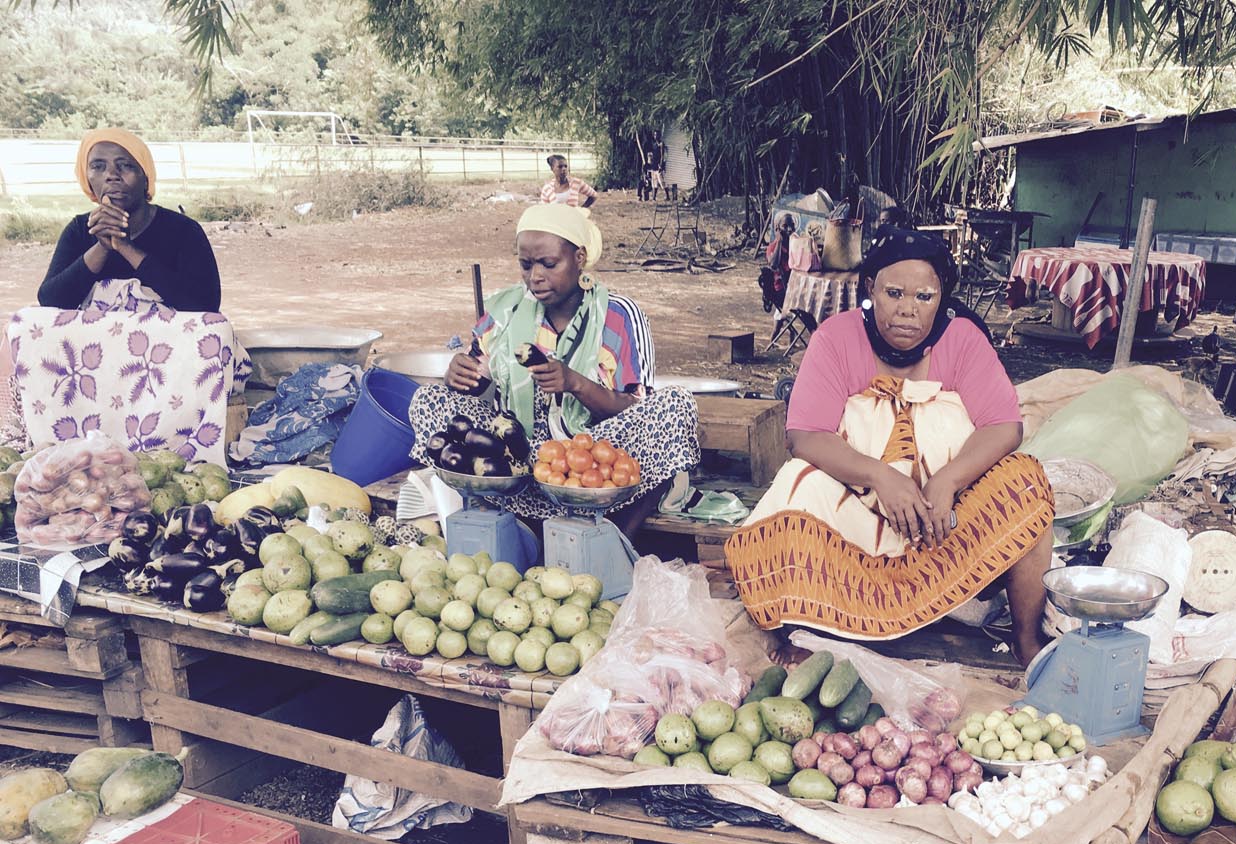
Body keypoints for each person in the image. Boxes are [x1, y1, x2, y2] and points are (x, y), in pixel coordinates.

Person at [725, 227, 1055, 664]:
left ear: (942, 298)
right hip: (858, 517)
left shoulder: (963, 339)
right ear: (869, 289)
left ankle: (1026, 641)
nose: (907, 311)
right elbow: (804, 434)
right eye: (894, 293)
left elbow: (1004, 426)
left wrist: (948, 481)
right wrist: (880, 476)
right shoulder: (836, 338)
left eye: (924, 297)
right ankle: (806, 622)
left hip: (946, 525)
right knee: (796, 484)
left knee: (1025, 481)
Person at [408, 204, 699, 536]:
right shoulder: (506, 309)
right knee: (428, 400)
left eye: (549, 264)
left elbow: (636, 407)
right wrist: (457, 376)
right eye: (525, 265)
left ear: (579, 258)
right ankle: (513, 516)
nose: (535, 277)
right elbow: (475, 382)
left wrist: (576, 383)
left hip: (595, 461)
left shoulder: (617, 315)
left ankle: (614, 539)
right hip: (519, 459)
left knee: (676, 405)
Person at [37, 128, 221, 312]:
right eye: (98, 166)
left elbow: (205, 305)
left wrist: (126, 247)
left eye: (125, 165)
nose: (112, 175)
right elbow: (50, 302)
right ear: (87, 179)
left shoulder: (182, 231)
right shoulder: (80, 230)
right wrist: (102, 247)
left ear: (146, 178)